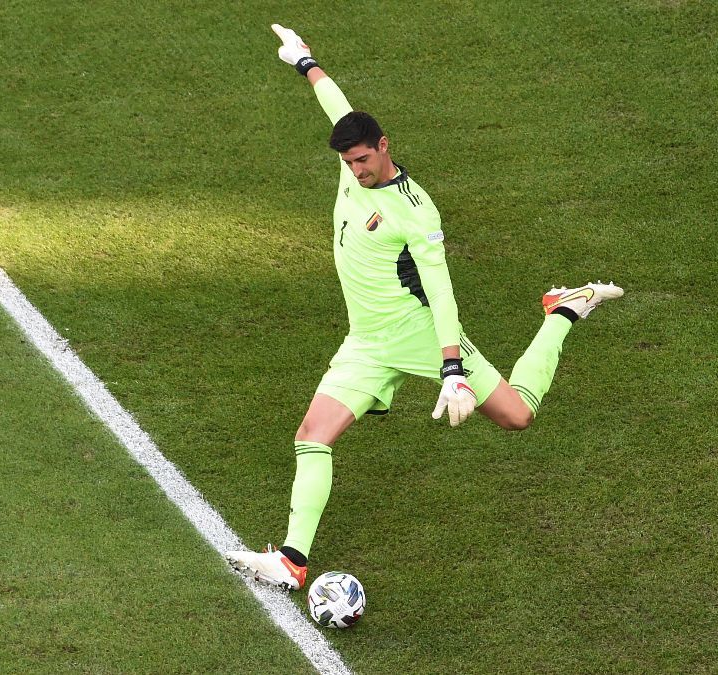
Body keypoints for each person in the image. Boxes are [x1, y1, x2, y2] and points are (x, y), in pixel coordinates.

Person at [224, 24, 624, 591]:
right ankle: (292, 560)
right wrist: (304, 60)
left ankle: (562, 311)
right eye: (349, 161)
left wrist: (453, 370)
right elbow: (337, 106)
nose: (356, 170)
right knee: (311, 436)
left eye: (363, 159)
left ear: (385, 146)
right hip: (365, 339)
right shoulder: (349, 159)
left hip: (416, 328)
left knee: (517, 417)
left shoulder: (417, 211)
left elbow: (440, 290)